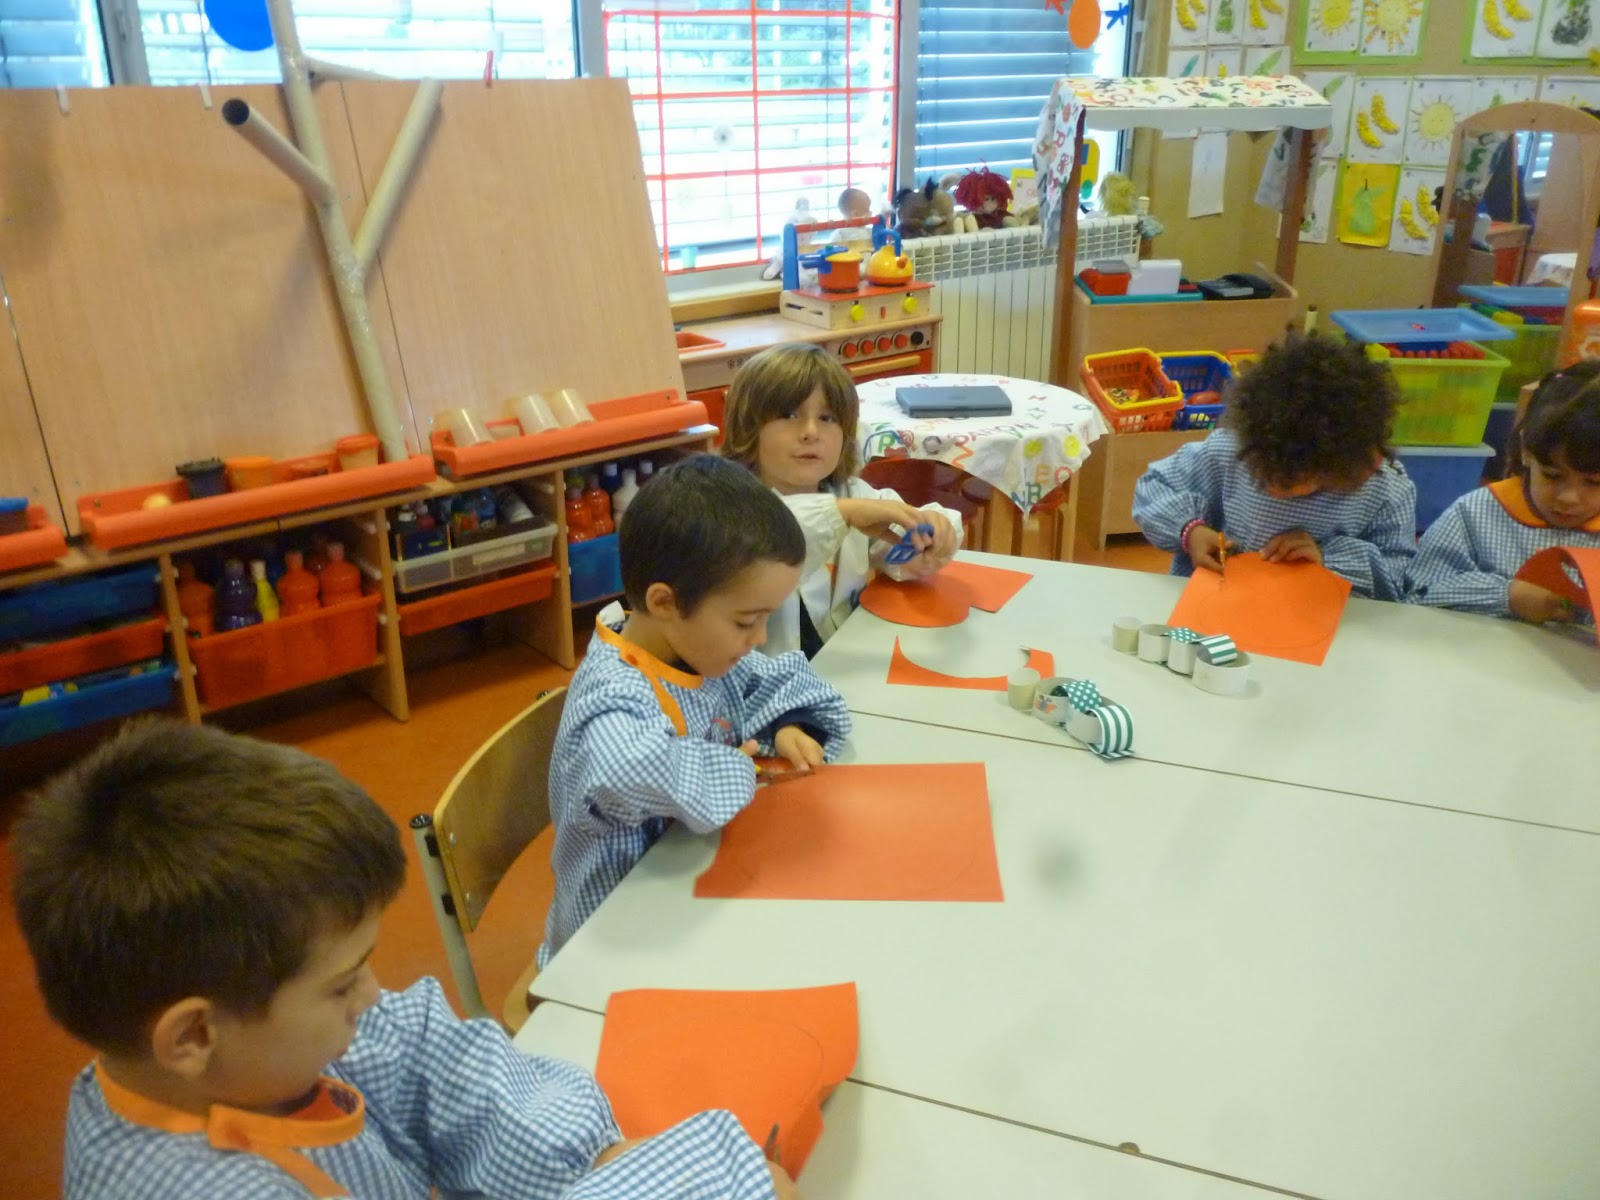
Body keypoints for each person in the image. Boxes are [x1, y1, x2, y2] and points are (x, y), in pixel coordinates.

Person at [10, 720, 794, 1199]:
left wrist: (594, 1154)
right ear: (192, 1036)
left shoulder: (250, 1043)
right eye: (342, 984)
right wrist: (703, 1176)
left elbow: (427, 1054)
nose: (372, 995)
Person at [542, 454, 852, 964]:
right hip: (613, 945)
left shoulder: (695, 650)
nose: (759, 639)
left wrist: (790, 723)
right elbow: (623, 768)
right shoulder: (613, 695)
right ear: (664, 602)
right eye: (746, 622)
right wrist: (738, 768)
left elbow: (779, 678)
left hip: (691, 897)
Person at [1131, 333, 1418, 600]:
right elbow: (1154, 487)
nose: (1273, 488)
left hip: (1319, 619)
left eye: (1292, 480)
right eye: (1262, 471)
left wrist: (1328, 559)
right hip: (1214, 604)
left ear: (1340, 467)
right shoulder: (1230, 450)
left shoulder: (1383, 490)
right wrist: (1190, 531)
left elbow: (1396, 578)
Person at [720, 342, 962, 657]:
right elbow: (777, 534)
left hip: (840, 665)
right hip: (760, 682)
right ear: (748, 429)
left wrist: (933, 533)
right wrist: (844, 513)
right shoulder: (726, 506)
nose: (811, 432)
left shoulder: (851, 493)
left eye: (827, 418)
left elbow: (899, 544)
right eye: (790, 415)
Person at [1408, 361, 1600, 622]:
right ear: (1526, 451)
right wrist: (1507, 596)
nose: (1569, 498)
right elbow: (1417, 591)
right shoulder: (1475, 514)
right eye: (1552, 475)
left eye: (1594, 483)